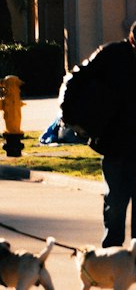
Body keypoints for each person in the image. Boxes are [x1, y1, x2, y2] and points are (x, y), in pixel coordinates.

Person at [60, 18, 136, 245]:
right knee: (115, 202)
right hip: (115, 143)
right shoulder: (112, 55)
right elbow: (75, 80)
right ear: (132, 39)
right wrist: (72, 117)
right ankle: (111, 253)